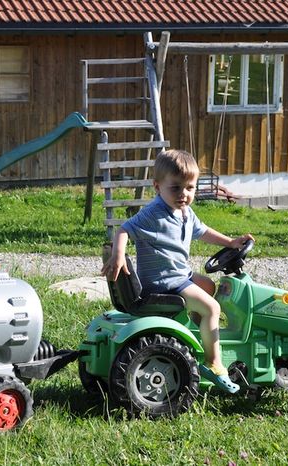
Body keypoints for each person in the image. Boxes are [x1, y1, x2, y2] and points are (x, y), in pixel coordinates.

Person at [101, 149, 253, 393]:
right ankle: (214, 364)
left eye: (190, 188)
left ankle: (194, 329)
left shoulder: (184, 212)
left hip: (179, 275)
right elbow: (124, 229)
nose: (184, 194)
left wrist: (230, 242)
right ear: (157, 186)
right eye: (176, 188)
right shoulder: (154, 213)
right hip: (164, 281)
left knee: (209, 286)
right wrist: (119, 254)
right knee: (213, 307)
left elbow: (202, 231)